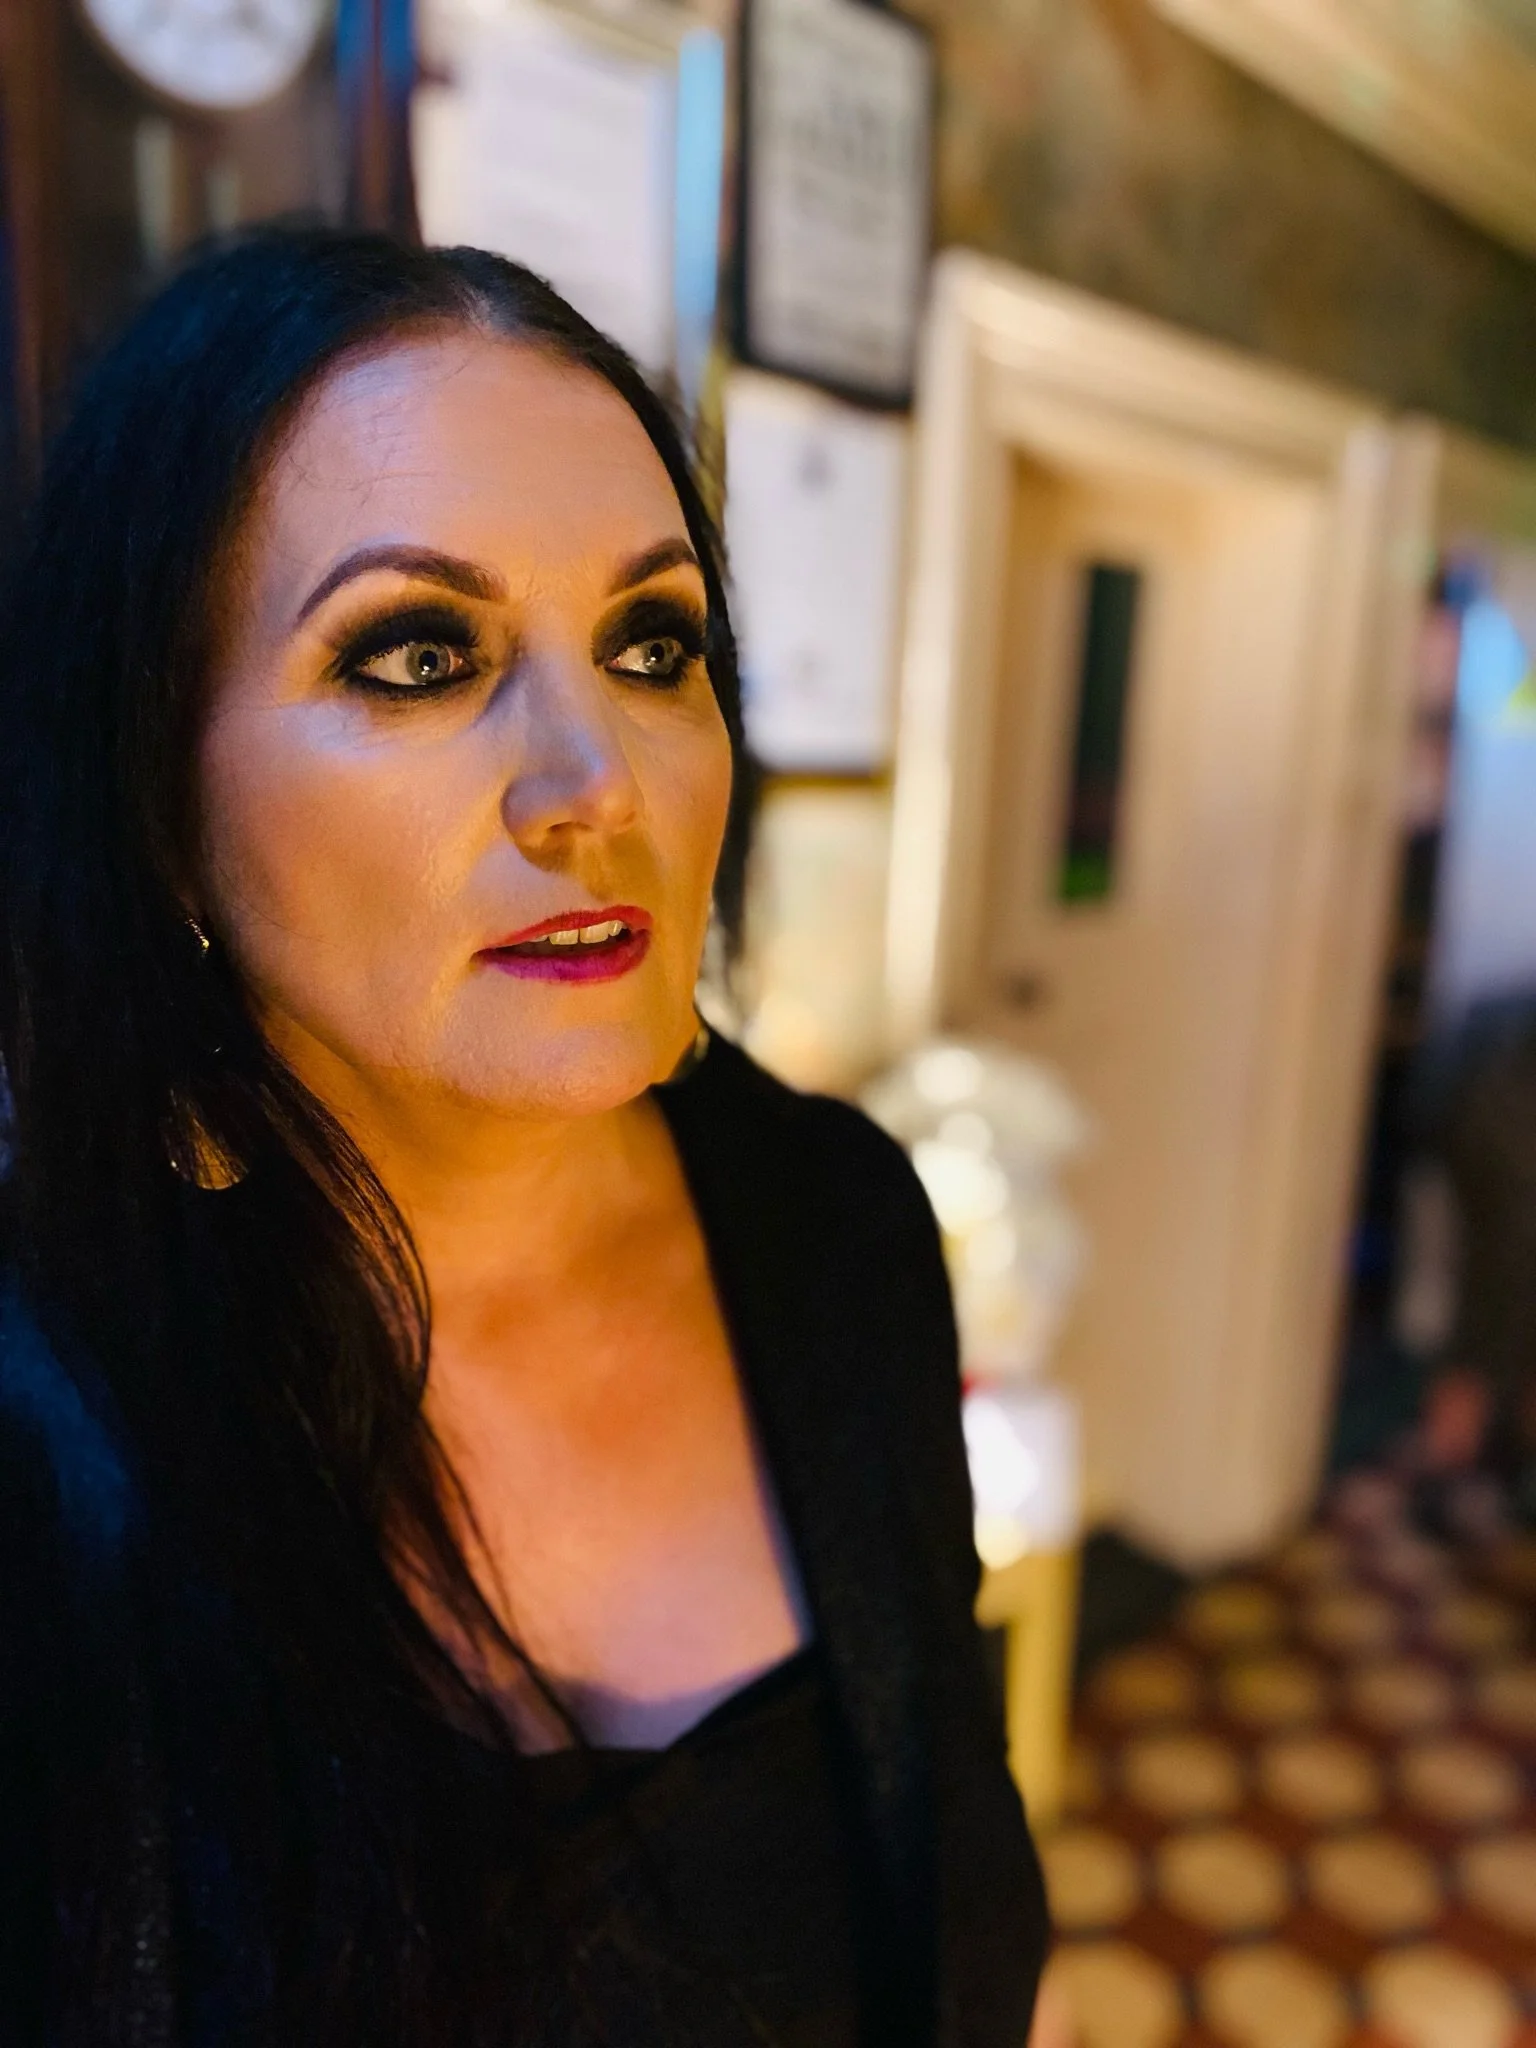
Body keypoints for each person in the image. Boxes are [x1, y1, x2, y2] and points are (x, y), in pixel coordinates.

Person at [0, 227, 1046, 2046]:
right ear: (154, 796)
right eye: (417, 653)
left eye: (655, 642)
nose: (600, 787)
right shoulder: (44, 1406)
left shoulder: (838, 1223)